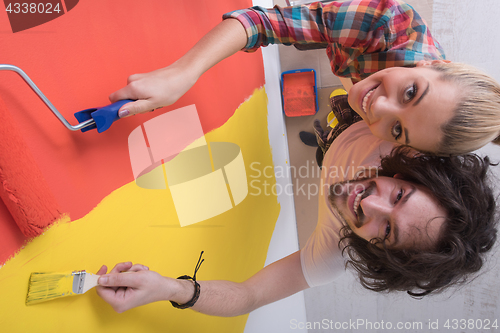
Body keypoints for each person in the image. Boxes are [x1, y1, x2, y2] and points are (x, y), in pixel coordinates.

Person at [96, 121, 497, 315]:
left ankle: (322, 145)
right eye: (399, 194)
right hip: (350, 121)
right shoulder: (407, 134)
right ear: (413, 171)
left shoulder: (331, 255)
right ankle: (326, 135)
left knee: (324, 154)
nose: (369, 202)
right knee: (330, 131)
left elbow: (248, 297)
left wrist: (169, 288)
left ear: (383, 255)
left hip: (333, 152)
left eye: (386, 230)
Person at [109, 0, 500, 155]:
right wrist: (182, 73)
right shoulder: (383, 22)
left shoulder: (423, 137)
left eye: (397, 130)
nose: (379, 108)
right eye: (411, 92)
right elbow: (263, 21)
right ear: (434, 65)